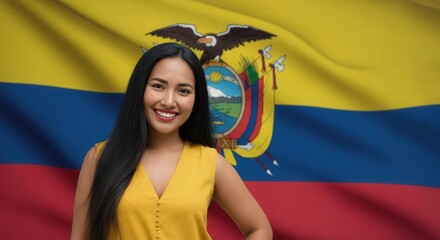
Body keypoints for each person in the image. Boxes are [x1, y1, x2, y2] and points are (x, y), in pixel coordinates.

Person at [71, 42, 272, 240]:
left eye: (183, 91)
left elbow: (259, 229)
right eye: (158, 86)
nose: (168, 101)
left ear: (196, 100)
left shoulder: (211, 163)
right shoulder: (99, 159)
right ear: (140, 89)